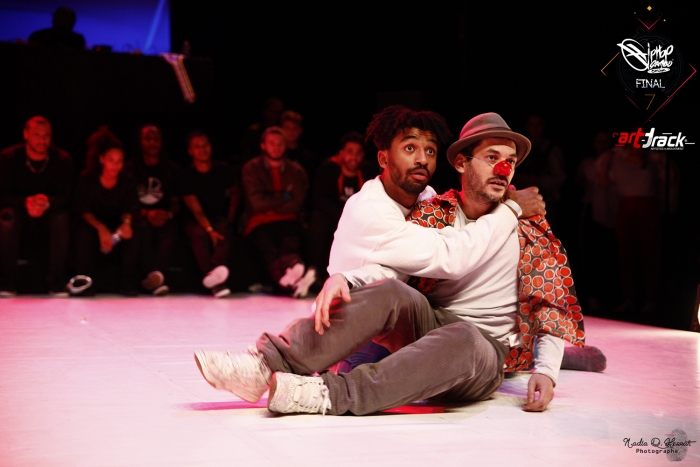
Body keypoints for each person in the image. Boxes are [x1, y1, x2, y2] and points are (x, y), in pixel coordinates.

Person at [194, 107, 548, 416]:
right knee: (394, 299)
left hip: (475, 348)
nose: (422, 159)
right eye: (409, 148)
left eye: (429, 150)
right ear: (462, 163)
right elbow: (432, 261)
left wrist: (547, 369)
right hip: (365, 332)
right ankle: (264, 366)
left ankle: (326, 394)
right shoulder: (400, 210)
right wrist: (347, 279)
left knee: (465, 338)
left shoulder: (433, 200)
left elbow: (550, 300)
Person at [0, 116, 74, 296]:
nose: (42, 140)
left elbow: (68, 196)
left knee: (61, 218)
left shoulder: (62, 159)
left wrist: (47, 202)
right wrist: (25, 202)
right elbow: (2, 194)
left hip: (49, 213)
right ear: (25, 134)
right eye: (37, 135)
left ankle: (56, 282)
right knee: (7, 217)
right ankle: (6, 282)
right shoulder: (8, 158)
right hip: (18, 211)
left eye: (46, 135)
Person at [241, 126, 312, 297]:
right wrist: (284, 196)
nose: (276, 147)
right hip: (259, 221)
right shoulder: (251, 168)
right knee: (268, 248)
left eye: (280, 143)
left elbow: (297, 204)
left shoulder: (296, 171)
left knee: (289, 242)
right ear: (263, 145)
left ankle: (292, 275)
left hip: (288, 219)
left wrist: (270, 201)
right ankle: (294, 279)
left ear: (286, 145)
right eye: (272, 143)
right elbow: (256, 204)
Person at [72, 128, 141, 296]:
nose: (115, 165)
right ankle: (85, 282)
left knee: (137, 230)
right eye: (111, 160)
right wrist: (100, 228)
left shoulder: (127, 179)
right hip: (93, 223)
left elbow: (129, 208)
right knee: (83, 232)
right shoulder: (87, 179)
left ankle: (127, 283)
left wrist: (126, 224)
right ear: (101, 159)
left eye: (119, 161)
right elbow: (84, 210)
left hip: (117, 224)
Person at [178, 131, 239, 298]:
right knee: (199, 234)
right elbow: (196, 209)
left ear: (210, 147)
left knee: (224, 230)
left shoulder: (222, 169)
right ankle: (214, 279)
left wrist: (230, 218)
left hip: (217, 216)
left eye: (205, 145)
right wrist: (209, 230)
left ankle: (213, 277)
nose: (202, 150)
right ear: (190, 151)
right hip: (194, 218)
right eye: (197, 146)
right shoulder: (186, 175)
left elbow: (236, 192)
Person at [306, 131, 369, 290]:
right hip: (333, 216)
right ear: (341, 153)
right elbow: (320, 199)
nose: (354, 157)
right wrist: (343, 217)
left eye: (358, 153)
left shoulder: (368, 172)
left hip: (358, 219)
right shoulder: (328, 168)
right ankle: (314, 274)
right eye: (349, 152)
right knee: (319, 221)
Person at [125, 124, 180, 295]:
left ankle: (156, 276)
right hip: (137, 216)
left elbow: (177, 201)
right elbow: (124, 202)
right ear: (140, 142)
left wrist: (167, 215)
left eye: (156, 139)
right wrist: (146, 214)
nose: (152, 143)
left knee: (170, 232)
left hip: (163, 217)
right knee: (142, 231)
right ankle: (146, 280)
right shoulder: (129, 169)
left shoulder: (171, 169)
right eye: (148, 139)